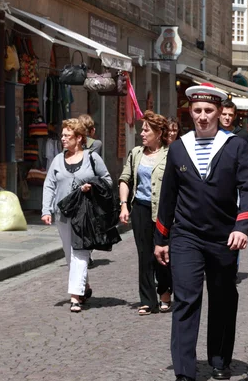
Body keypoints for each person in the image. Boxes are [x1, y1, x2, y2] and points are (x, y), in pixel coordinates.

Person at [153, 83, 248, 381]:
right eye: (197, 111)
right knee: (186, 298)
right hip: (186, 235)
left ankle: (219, 358)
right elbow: (168, 196)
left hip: (224, 235)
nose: (202, 117)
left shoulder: (235, 145)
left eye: (208, 111)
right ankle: (184, 373)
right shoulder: (178, 147)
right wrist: (161, 239)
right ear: (190, 112)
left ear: (218, 112)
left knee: (223, 296)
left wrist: (242, 227)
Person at [41, 118, 112, 313]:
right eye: (62, 135)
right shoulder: (57, 160)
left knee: (80, 252)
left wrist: (93, 186)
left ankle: (74, 297)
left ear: (79, 138)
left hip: (85, 214)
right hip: (63, 214)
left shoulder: (92, 158)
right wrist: (46, 210)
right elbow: (49, 185)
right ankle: (84, 287)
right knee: (68, 254)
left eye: (67, 136)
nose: (63, 139)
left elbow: (107, 180)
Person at [119, 110, 172, 315]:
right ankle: (147, 300)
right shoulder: (136, 153)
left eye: (146, 130)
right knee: (145, 255)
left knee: (163, 254)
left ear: (158, 133)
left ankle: (165, 293)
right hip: (141, 208)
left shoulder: (170, 154)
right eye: (142, 129)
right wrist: (124, 205)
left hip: (163, 211)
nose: (142, 133)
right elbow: (125, 179)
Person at [78, 113, 102, 269]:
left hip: (76, 184)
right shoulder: (96, 144)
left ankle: (81, 252)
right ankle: (87, 253)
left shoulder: (75, 143)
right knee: (90, 220)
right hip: (90, 185)